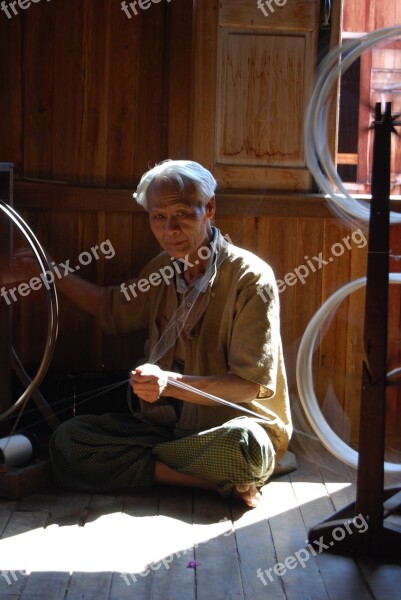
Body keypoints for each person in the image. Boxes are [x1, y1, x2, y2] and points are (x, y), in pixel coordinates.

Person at [21, 160, 293, 508]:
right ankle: (206, 482)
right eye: (158, 217)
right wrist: (46, 270)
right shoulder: (161, 270)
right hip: (163, 431)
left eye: (183, 213)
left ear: (209, 208)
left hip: (229, 428)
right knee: (68, 440)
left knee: (243, 449)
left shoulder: (251, 278)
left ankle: (169, 468)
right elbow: (110, 308)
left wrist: (169, 383)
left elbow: (248, 385)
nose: (170, 230)